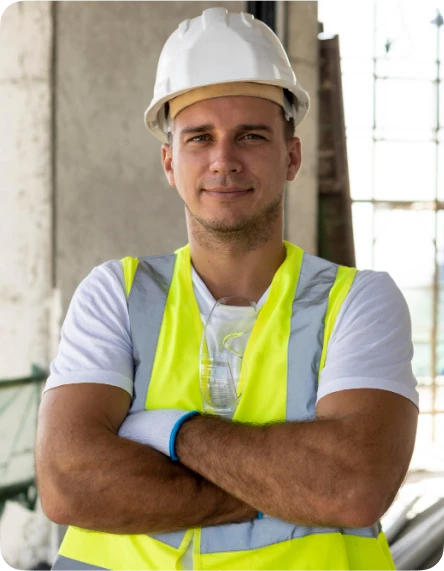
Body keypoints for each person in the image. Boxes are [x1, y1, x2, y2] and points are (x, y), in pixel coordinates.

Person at [36, 7, 419, 571]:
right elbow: (68, 483)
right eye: (200, 138)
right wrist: (288, 490)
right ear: (170, 163)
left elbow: (350, 487)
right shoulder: (116, 294)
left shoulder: (358, 303)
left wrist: (168, 431)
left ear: (291, 156)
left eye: (251, 136)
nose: (224, 160)